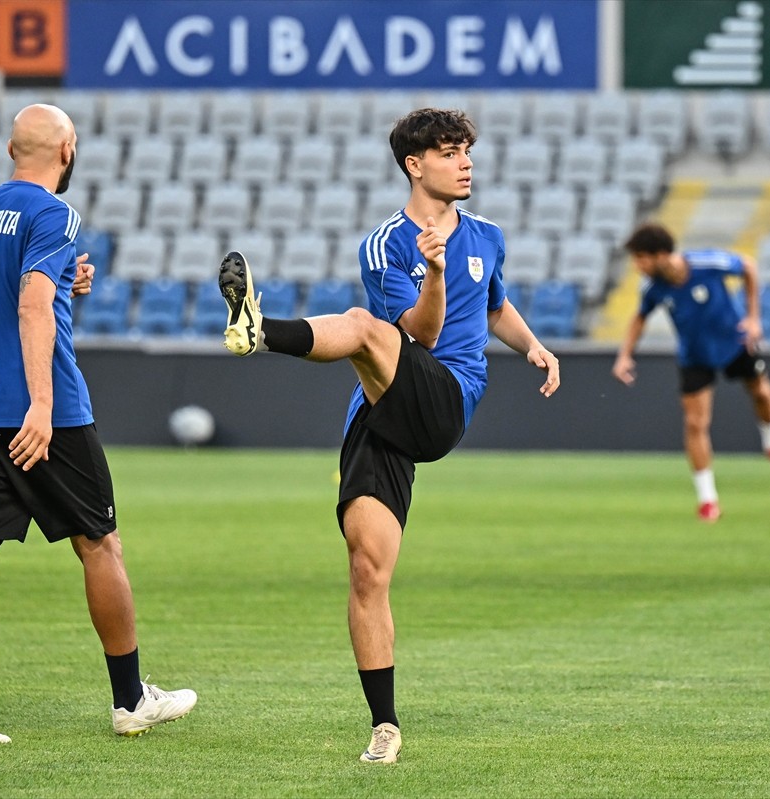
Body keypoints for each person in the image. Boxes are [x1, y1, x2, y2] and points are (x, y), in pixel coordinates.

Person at [216, 108, 560, 764]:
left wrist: (532, 343)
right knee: (367, 566)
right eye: (451, 152)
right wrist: (429, 269)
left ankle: (260, 331)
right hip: (383, 417)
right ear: (415, 164)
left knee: (363, 325)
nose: (465, 162)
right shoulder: (385, 243)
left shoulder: (485, 234)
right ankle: (384, 726)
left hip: (446, 399)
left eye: (467, 151)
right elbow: (417, 333)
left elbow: (481, 310)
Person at [0, 104, 196, 745]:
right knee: (100, 544)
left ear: (10, 147)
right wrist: (42, 406)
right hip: (47, 413)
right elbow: (30, 302)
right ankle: (131, 699)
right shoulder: (56, 213)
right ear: (67, 149)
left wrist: (59, 286)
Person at [612, 222, 770, 522]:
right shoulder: (653, 288)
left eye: (641, 258)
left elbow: (748, 267)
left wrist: (753, 318)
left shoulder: (706, 264)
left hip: (734, 342)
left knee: (762, 393)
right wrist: (624, 356)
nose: (638, 266)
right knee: (695, 423)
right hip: (695, 356)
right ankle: (708, 499)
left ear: (660, 255)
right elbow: (639, 317)